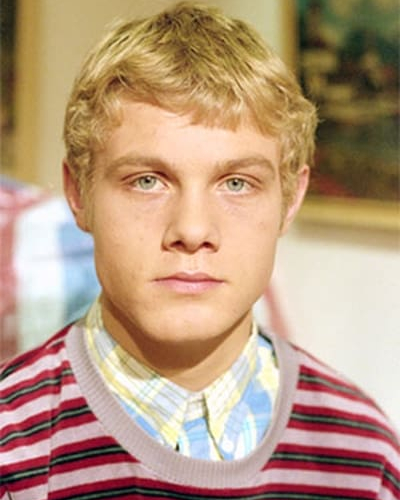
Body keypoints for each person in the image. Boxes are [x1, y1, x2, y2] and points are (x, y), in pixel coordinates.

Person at [1, 2, 398, 499]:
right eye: (147, 181)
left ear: (290, 199)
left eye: (236, 183)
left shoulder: (363, 457)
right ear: (78, 193)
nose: (192, 230)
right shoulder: (12, 450)